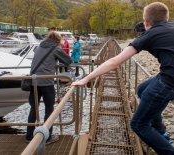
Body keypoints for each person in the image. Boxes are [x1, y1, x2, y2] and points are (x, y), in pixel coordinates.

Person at [72, 2, 174, 154]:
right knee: (141, 90)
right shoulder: (171, 26)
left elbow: (114, 62)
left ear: (146, 23)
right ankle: (161, 131)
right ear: (166, 18)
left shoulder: (149, 34)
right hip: (167, 75)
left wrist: (86, 79)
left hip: (168, 82)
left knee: (139, 124)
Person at [26, 31, 72, 144]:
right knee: (49, 109)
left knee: (34, 108)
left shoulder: (39, 46)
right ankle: (47, 137)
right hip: (46, 82)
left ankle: (29, 136)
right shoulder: (56, 48)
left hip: (34, 81)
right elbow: (68, 61)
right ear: (57, 40)